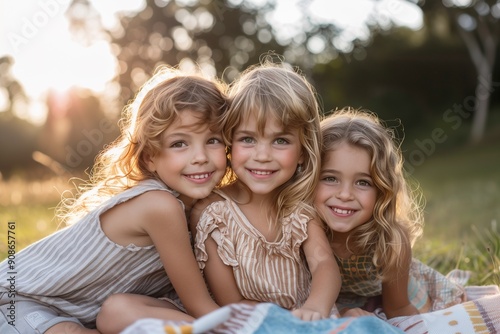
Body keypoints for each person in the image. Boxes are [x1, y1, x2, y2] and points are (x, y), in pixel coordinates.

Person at [0, 66, 230, 334]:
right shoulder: (159, 206)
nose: (200, 156)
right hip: (17, 303)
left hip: (86, 314)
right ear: (149, 157)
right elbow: (199, 306)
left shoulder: (203, 207)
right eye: (179, 143)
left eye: (213, 140)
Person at [190, 59, 341, 321]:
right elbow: (231, 301)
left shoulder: (298, 208)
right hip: (253, 322)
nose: (262, 155)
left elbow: (324, 264)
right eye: (248, 139)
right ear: (229, 143)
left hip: (312, 318)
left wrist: (315, 307)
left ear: (303, 152)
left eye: (280, 140)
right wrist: (285, 321)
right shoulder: (213, 214)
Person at [314, 108, 466, 319]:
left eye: (363, 182)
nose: (345, 194)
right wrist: (342, 311)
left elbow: (398, 310)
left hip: (388, 294)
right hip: (325, 300)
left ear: (382, 190)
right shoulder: (299, 228)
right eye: (330, 178)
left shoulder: (390, 240)